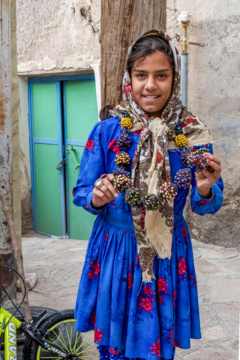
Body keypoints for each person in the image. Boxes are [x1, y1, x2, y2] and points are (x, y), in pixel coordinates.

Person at [73, 30, 223, 360]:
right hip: (117, 249)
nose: (150, 86)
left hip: (167, 249)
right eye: (141, 75)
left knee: (156, 346)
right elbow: (82, 191)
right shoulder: (109, 131)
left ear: (175, 78)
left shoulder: (192, 133)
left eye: (161, 75)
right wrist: (97, 196)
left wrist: (204, 187)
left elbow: (205, 204)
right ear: (130, 78)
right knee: (115, 342)